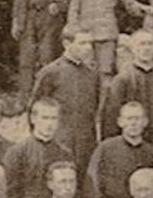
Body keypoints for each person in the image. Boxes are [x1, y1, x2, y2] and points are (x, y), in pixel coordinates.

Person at [33, 29, 102, 174]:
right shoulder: (51, 72)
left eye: (90, 43)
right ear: (66, 44)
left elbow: (93, 109)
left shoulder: (92, 75)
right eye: (82, 43)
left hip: (86, 143)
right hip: (59, 143)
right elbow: (34, 109)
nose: (88, 47)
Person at [4, 98, 76, 198]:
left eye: (53, 118)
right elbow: (10, 192)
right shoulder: (17, 152)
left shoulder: (65, 153)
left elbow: (71, 189)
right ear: (33, 119)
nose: (49, 124)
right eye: (45, 118)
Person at [87, 100, 153, 198]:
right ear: (120, 122)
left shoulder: (150, 152)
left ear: (145, 122)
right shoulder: (106, 148)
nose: (133, 123)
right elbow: (92, 185)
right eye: (129, 119)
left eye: (137, 119)